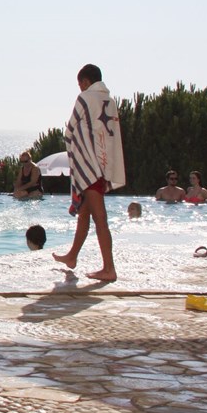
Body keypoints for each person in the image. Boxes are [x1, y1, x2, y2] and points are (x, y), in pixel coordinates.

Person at [53, 64, 125, 282]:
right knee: (84, 213)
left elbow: (70, 131)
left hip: (90, 167)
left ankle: (109, 268)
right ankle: (72, 256)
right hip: (103, 166)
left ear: (85, 82)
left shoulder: (85, 98)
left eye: (80, 84)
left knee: (100, 218)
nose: (80, 88)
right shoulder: (110, 101)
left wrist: (79, 161)